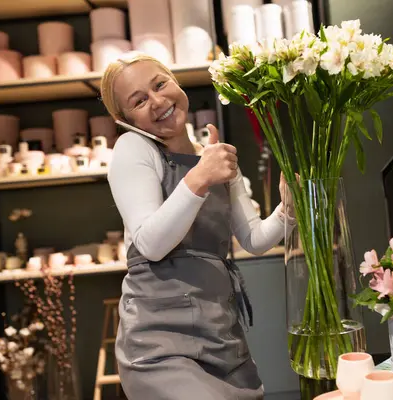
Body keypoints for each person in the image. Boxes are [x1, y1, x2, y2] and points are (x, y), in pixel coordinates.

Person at [101, 53, 296, 400]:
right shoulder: (134, 149)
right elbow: (151, 243)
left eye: (160, 84)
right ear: (125, 119)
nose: (158, 101)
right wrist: (200, 177)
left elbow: (252, 239)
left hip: (221, 336)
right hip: (159, 346)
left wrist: (288, 211)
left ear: (174, 81)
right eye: (140, 100)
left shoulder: (216, 156)